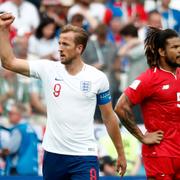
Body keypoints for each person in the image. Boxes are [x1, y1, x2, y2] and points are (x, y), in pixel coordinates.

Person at [0, 13, 126, 179]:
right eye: (59, 43)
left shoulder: (97, 78)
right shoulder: (48, 69)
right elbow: (9, 62)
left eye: (65, 44)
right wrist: (3, 30)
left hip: (84, 156)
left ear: (79, 48)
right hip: (53, 156)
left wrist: (120, 153)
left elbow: (109, 117)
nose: (59, 48)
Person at [115, 26, 180, 179]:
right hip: (161, 155)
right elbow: (120, 107)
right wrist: (142, 137)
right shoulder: (149, 78)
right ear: (161, 52)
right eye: (175, 47)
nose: (179, 50)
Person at [0, 103, 38, 175]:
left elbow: (8, 150)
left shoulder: (19, 130)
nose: (9, 116)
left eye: (11, 113)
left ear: (19, 115)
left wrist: (2, 152)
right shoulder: (32, 129)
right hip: (33, 170)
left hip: (19, 171)